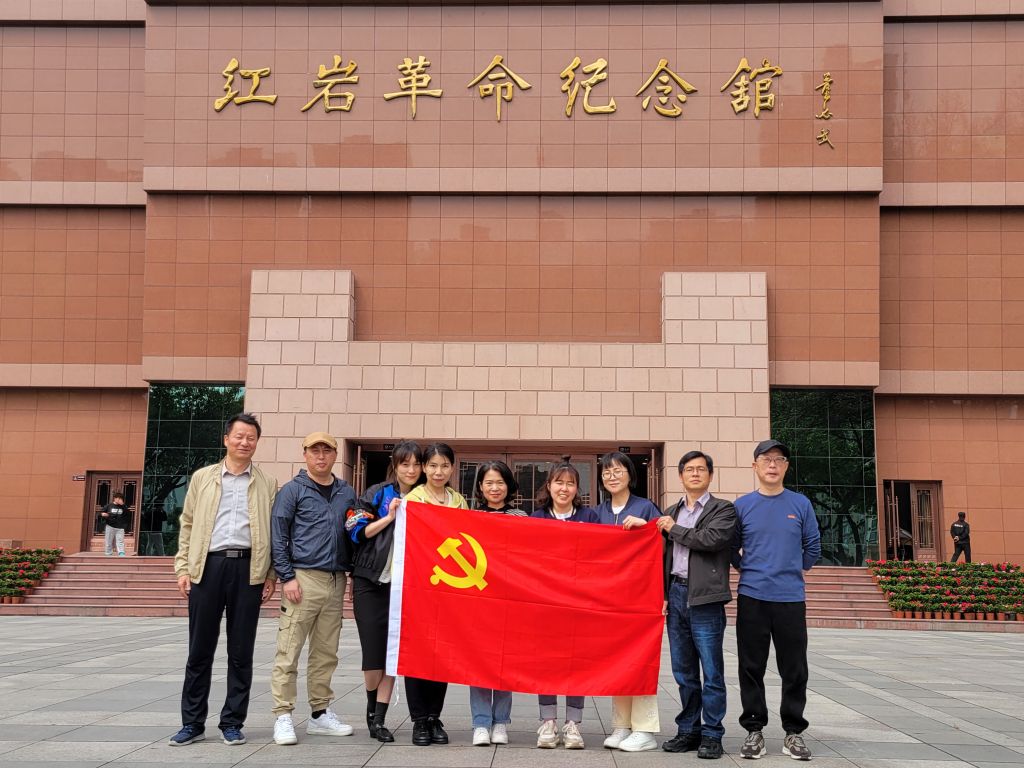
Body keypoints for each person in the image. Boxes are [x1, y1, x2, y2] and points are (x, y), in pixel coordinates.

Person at [169, 413, 278, 747]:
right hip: (208, 567)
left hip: (248, 570)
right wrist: (183, 568)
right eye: (239, 436)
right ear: (226, 439)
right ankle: (192, 723)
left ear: (257, 443)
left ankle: (232, 721)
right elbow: (187, 524)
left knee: (241, 651)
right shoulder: (203, 478)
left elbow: (274, 532)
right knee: (199, 650)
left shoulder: (267, 482)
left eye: (251, 438)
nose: (245, 442)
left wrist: (270, 573)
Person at [732, 440, 820, 761]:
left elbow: (813, 547)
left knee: (794, 668)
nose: (772, 464)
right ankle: (754, 729)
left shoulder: (800, 504)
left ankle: (793, 732)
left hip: (790, 598)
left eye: (779, 459)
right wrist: (750, 569)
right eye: (766, 459)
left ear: (786, 467)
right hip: (752, 597)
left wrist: (790, 569)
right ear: (754, 466)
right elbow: (731, 547)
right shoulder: (742, 505)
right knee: (751, 666)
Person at [270, 432, 357, 746]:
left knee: (326, 652)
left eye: (326, 451)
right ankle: (283, 714)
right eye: (314, 451)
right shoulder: (292, 490)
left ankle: (320, 713)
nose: (321, 456)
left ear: (335, 455)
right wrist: (287, 576)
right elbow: (278, 535)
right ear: (305, 454)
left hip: (336, 579)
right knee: (289, 649)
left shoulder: (346, 492)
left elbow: (353, 533)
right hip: (303, 579)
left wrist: (353, 574)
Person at [655, 451, 737, 760]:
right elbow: (662, 556)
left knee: (712, 672)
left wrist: (673, 528)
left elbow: (710, 539)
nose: (695, 474)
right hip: (676, 594)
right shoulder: (671, 511)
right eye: (689, 469)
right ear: (680, 476)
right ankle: (688, 730)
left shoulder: (722, 509)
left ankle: (712, 734)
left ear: (710, 475)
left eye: (701, 469)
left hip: (706, 598)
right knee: (683, 671)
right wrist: (662, 592)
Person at [345, 439, 424, 743]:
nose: (411, 470)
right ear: (395, 465)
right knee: (373, 656)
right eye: (405, 464)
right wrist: (389, 518)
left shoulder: (426, 498)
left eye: (416, 464)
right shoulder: (378, 493)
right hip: (370, 582)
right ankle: (370, 708)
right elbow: (356, 530)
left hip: (406, 589)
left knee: (392, 653)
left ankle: (378, 719)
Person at [593, 451, 662, 753]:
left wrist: (647, 527)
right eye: (606, 472)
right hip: (609, 600)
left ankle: (644, 729)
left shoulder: (646, 507)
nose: (612, 476)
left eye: (618, 470)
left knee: (640, 660)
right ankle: (622, 725)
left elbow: (664, 546)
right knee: (617, 661)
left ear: (630, 475)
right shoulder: (597, 512)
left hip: (640, 597)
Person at [402, 442, 468, 746]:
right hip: (419, 587)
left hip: (449, 590)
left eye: (444, 466)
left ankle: (433, 716)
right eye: (432, 465)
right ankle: (418, 719)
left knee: (442, 654)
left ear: (452, 468)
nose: (438, 471)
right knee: (417, 652)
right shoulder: (413, 500)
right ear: (424, 468)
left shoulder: (459, 501)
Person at [530, 458, 598, 749]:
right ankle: (548, 721)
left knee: (576, 663)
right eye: (559, 482)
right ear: (549, 485)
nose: (564, 488)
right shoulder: (536, 518)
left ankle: (573, 724)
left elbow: (601, 554)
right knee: (546, 663)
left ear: (577, 489)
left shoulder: (590, 517)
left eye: (571, 483)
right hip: (545, 604)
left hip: (579, 603)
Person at [468, 460, 526, 747]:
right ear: (480, 486)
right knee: (478, 662)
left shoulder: (521, 517)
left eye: (500, 482)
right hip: (479, 600)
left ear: (508, 485)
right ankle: (480, 723)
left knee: (505, 661)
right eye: (489, 482)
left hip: (510, 599)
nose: (494, 488)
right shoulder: (470, 517)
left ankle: (501, 722)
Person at [101, 492, 129, 556]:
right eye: (118, 498)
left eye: (120, 499)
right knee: (108, 541)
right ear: (115, 498)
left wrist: (123, 505)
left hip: (120, 526)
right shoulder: (109, 505)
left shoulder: (123, 506)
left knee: (120, 541)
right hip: (110, 526)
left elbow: (127, 514)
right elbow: (102, 512)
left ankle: (121, 553)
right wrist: (103, 514)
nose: (119, 500)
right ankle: (108, 553)